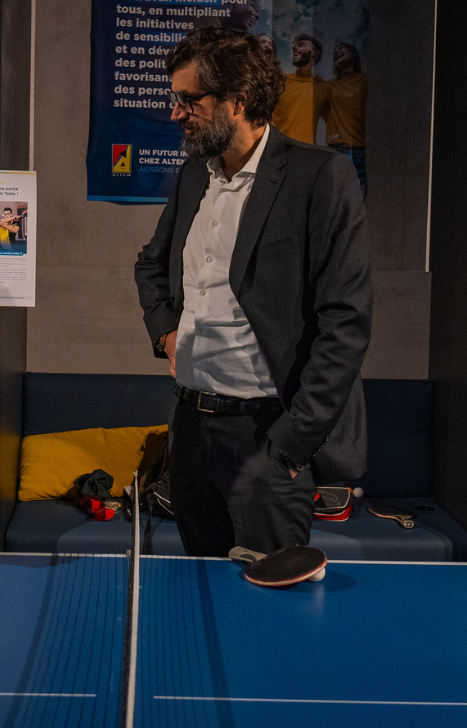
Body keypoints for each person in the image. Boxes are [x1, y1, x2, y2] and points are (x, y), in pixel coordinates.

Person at [134, 28, 371, 558]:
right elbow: (150, 265)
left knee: (272, 623)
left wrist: (289, 447)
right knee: (203, 606)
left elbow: (346, 324)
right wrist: (166, 333)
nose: (176, 114)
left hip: (268, 439)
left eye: (188, 100)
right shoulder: (195, 175)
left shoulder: (320, 178)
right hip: (191, 432)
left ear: (237, 101)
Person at [319, 41, 368, 198]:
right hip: (336, 148)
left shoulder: (365, 80)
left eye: (341, 48)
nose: (336, 52)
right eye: (334, 51)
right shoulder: (330, 85)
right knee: (334, 198)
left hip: (360, 149)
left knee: (357, 199)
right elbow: (324, 111)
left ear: (352, 53)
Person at [272, 32, 330, 145]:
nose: (294, 48)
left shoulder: (323, 88)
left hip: (307, 154)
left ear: (314, 53)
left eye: (301, 45)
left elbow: (333, 120)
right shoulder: (280, 82)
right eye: (296, 46)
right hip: (279, 152)